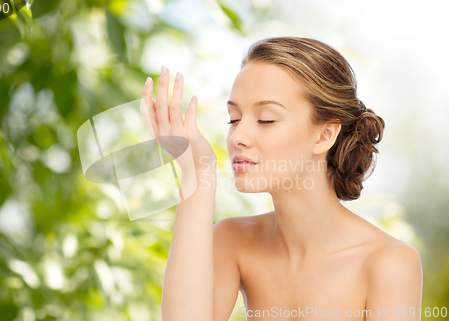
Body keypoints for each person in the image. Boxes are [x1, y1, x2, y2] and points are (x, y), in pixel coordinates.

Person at [140, 37, 423, 321]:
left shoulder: (388, 264)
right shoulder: (233, 241)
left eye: (266, 119)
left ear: (325, 135)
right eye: (234, 119)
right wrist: (197, 172)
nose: (237, 137)